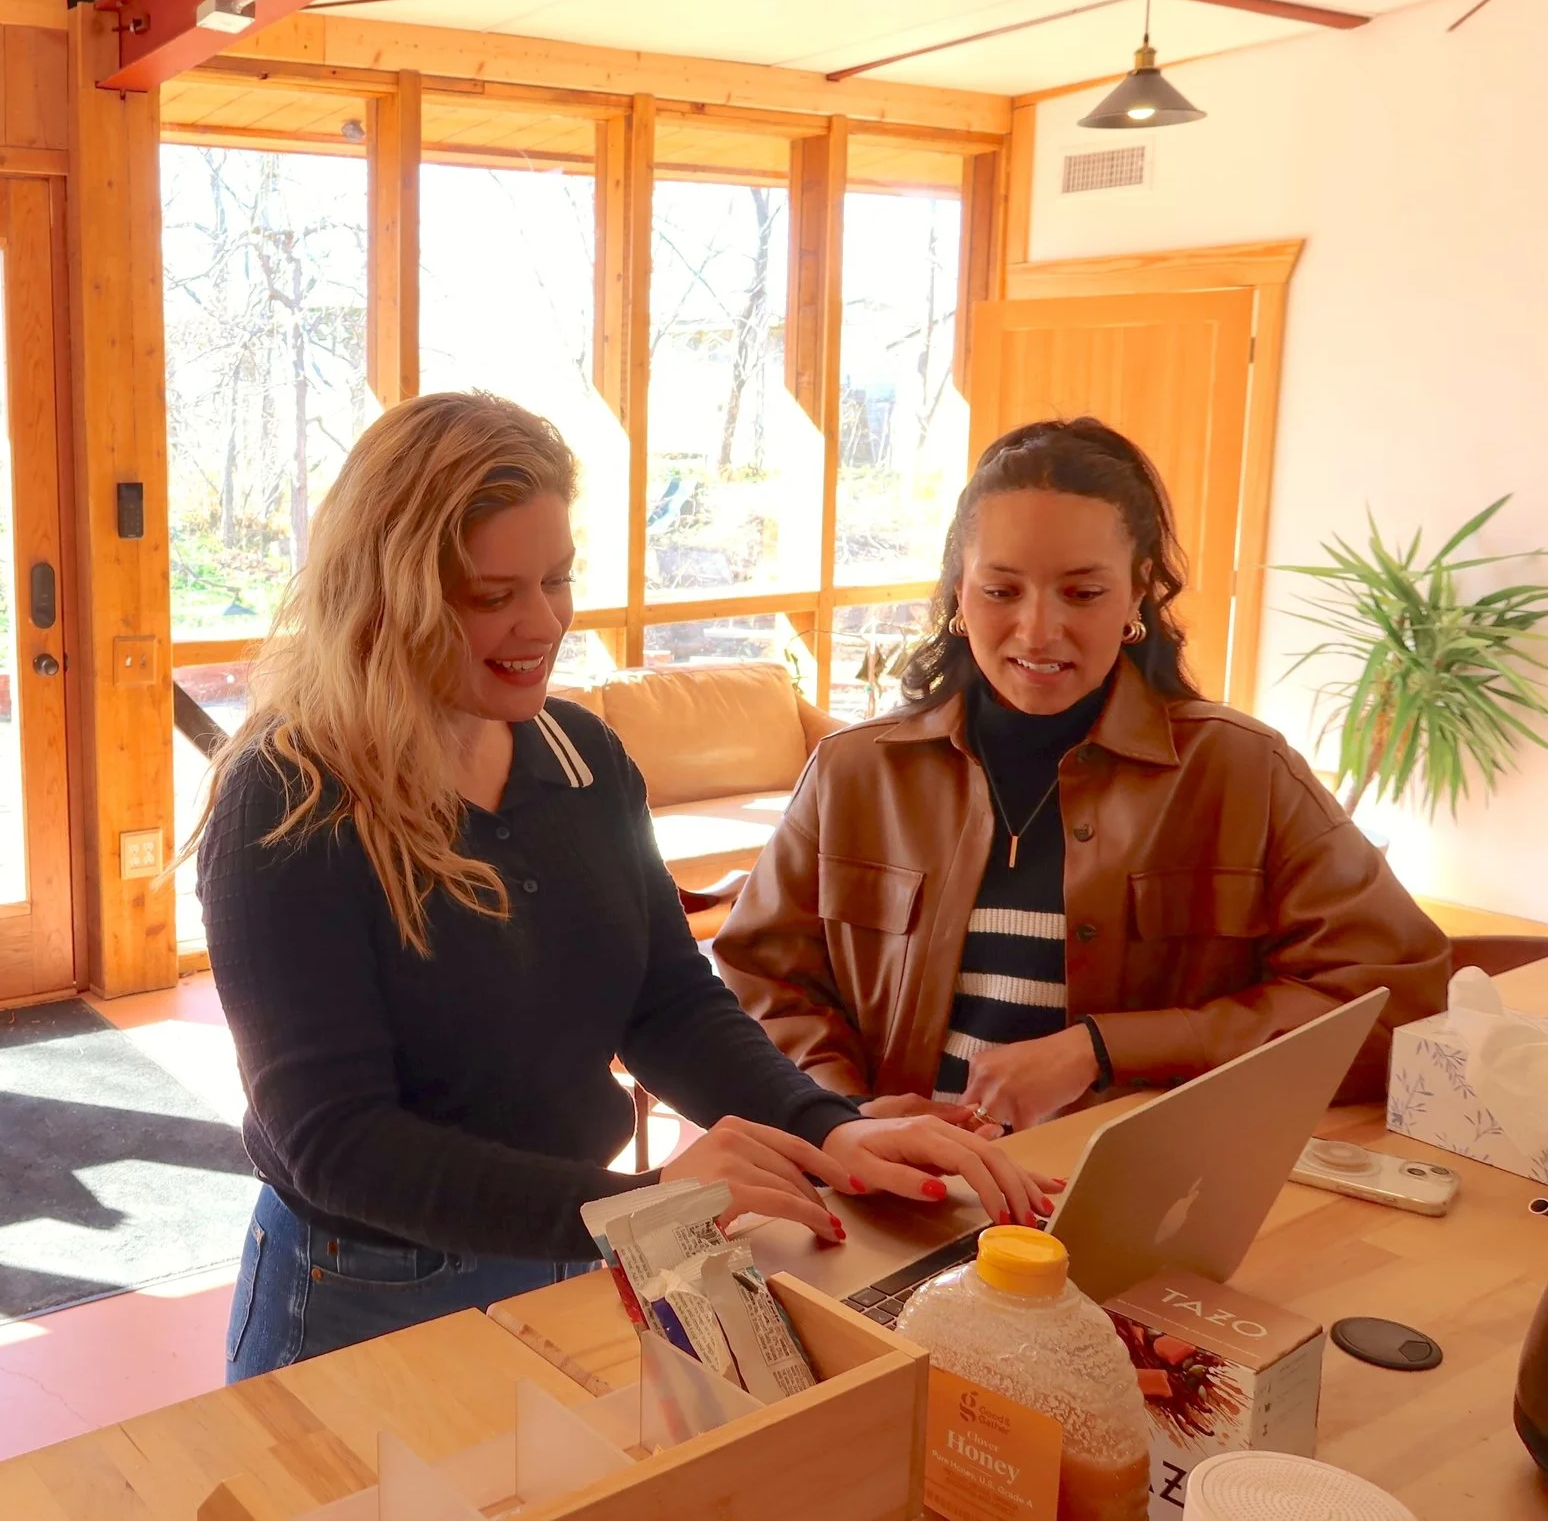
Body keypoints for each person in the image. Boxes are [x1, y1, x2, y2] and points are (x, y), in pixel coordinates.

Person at [192, 391, 1057, 1382]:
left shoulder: (581, 757)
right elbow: (333, 1140)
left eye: (557, 578)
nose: (543, 621)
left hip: (573, 1241)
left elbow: (667, 1001)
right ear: (386, 597)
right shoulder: (288, 797)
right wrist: (638, 1205)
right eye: (492, 594)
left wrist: (829, 1125)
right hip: (370, 1283)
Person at [717, 418, 1448, 1133]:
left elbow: (1395, 1004)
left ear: (1138, 592)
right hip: (900, 1187)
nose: (1038, 631)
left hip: (1131, 1189)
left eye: (1082, 593)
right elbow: (760, 988)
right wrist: (844, 1115)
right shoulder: (854, 771)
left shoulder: (1243, 770)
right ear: (958, 593)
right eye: (1001, 591)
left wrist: (1105, 1049)